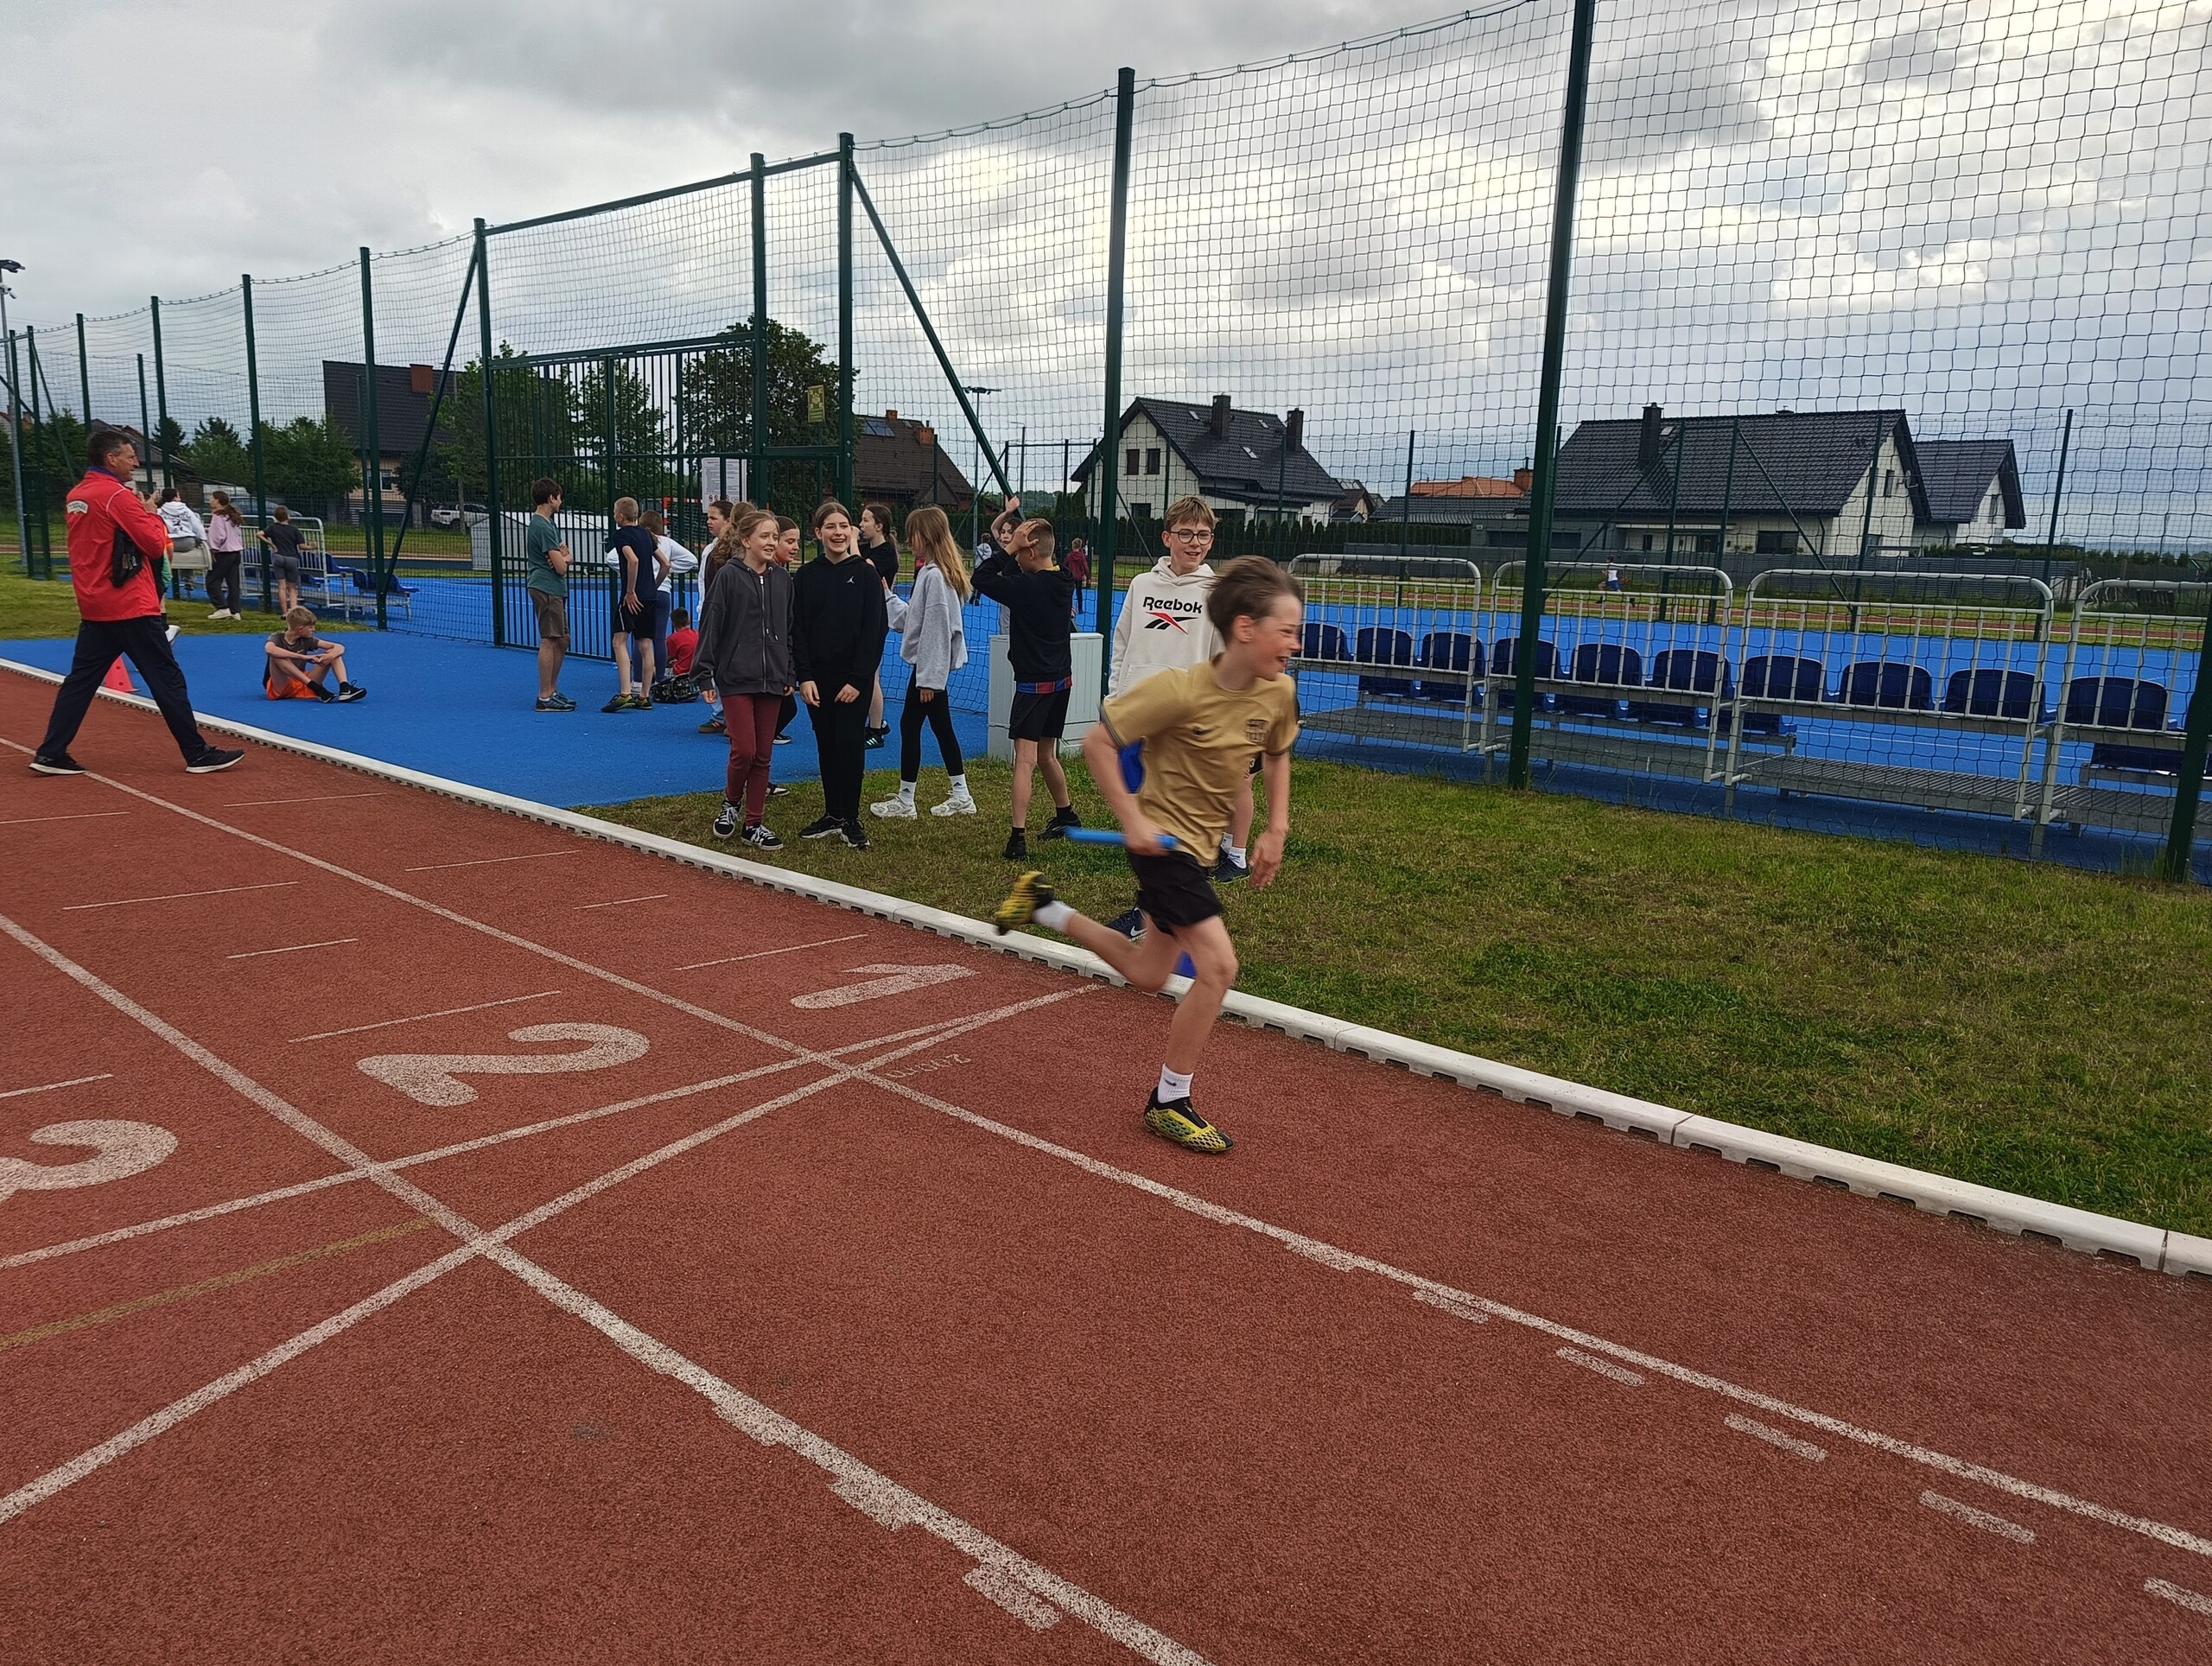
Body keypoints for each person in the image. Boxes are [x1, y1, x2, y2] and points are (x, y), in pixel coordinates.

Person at [994, 557, 1302, 1154]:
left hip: (1198, 851)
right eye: (1286, 630)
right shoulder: (1179, 691)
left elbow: (1277, 751)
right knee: (1219, 967)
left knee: (1148, 973)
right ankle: (1170, 1100)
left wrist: (1276, 828)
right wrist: (1132, 818)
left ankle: (1042, 907)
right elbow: (1099, 743)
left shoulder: (1278, 692)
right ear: (1245, 628)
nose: (1295, 643)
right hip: (1163, 847)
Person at [29, 426, 244, 777]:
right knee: (166, 678)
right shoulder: (117, 496)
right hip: (130, 603)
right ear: (110, 458)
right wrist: (149, 513)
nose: (136, 463)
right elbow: (154, 544)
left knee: (80, 681)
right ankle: (197, 753)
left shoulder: (77, 494)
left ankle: (51, 752)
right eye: (130, 456)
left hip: (95, 603)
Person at [1101, 497, 1256, 937]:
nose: (1195, 543)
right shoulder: (1141, 585)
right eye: (1185, 534)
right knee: (1142, 819)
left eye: (1203, 535)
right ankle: (1162, 910)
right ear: (1167, 537)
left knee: (1170, 822)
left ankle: (1154, 914)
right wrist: (1116, 699)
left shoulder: (1218, 595)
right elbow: (1122, 645)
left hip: (1185, 728)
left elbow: (1225, 663)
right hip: (1135, 719)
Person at [975, 497, 1079, 860]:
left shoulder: (1026, 588)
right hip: (1062, 681)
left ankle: (1017, 839)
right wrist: (1015, 542)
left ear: (1030, 552)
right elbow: (1012, 568)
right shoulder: (1064, 577)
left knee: (1026, 760)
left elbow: (981, 578)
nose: (1014, 556)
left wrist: (1009, 549)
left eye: (1019, 550)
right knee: (1047, 754)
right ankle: (1066, 816)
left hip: (1034, 685)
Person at [692, 507, 794, 850]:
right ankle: (731, 802)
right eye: (765, 536)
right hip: (736, 677)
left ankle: (754, 824)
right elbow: (712, 624)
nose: (772, 542)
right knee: (744, 750)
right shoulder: (729, 576)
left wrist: (789, 670)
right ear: (746, 540)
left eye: (775, 536)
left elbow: (789, 629)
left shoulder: (783, 580)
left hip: (772, 678)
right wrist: (704, 675)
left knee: (763, 754)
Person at [791, 499, 887, 849]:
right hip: (818, 680)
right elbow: (798, 631)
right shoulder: (806, 576)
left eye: (843, 526)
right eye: (830, 527)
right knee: (826, 744)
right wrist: (804, 676)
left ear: (852, 531)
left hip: (853, 682)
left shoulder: (865, 574)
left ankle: (851, 817)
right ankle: (833, 813)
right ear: (818, 532)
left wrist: (858, 680)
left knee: (849, 743)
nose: (838, 532)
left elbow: (875, 631)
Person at [870, 505, 975, 819]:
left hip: (928, 672)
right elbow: (914, 619)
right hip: (930, 670)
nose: (908, 540)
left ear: (926, 536)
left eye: (912, 533)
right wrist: (888, 596)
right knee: (939, 727)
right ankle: (960, 794)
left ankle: (907, 800)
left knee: (912, 726)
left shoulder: (935, 577)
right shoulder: (932, 573)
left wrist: (928, 680)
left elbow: (936, 632)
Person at [523, 478, 575, 711]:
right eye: (559, 497)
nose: (561, 502)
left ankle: (552, 690)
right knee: (550, 639)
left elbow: (565, 556)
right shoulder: (541, 527)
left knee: (563, 639)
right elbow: (561, 567)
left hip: (554, 587)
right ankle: (544, 696)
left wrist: (564, 558)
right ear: (551, 498)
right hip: (546, 587)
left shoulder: (549, 524)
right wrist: (564, 560)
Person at [603, 496, 659, 712]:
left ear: (620, 516)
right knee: (646, 644)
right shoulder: (647, 534)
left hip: (633, 597)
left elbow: (632, 560)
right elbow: (665, 563)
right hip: (650, 596)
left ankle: (625, 692)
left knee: (619, 641)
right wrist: (652, 586)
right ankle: (644, 696)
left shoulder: (621, 536)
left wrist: (630, 591)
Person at [860, 501, 900, 748]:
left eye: (865, 520)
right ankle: (877, 721)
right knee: (862, 674)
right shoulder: (865, 549)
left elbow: (859, 568)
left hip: (876, 619)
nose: (860, 525)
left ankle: (876, 731)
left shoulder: (886, 554)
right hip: (859, 617)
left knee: (871, 675)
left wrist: (850, 539)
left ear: (879, 526)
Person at [264, 606, 365, 702]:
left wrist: (330, 656)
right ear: (300, 629)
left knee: (333, 652)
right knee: (276, 656)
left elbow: (339, 647)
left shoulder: (307, 639)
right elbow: (269, 650)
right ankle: (316, 688)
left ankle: (345, 688)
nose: (314, 630)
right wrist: (304, 657)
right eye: (311, 627)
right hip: (281, 684)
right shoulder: (277, 637)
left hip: (302, 682)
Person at [643, 508, 696, 685]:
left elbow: (611, 558)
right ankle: (660, 678)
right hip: (663, 590)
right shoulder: (667, 543)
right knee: (659, 637)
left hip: (643, 590)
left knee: (641, 637)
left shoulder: (637, 540)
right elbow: (691, 560)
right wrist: (668, 568)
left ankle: (638, 679)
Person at [772, 516, 803, 745]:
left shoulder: (782, 576)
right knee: (787, 706)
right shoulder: (770, 576)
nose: (796, 547)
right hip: (767, 660)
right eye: (790, 541)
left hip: (779, 656)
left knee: (787, 706)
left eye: (797, 542)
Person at [157, 489, 208, 600]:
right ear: (175, 497)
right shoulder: (186, 510)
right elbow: (197, 525)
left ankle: (164, 579)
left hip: (169, 543)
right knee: (191, 548)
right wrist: (203, 539)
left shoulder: (160, 511)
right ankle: (188, 579)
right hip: (187, 543)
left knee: (166, 556)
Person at [205, 490, 246, 620]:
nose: (210, 501)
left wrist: (213, 549)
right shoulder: (232, 515)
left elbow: (218, 535)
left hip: (223, 552)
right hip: (236, 552)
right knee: (233, 582)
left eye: (212, 498)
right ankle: (235, 610)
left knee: (212, 581)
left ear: (217, 500)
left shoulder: (218, 516)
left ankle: (222, 607)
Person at [257, 506, 306, 616]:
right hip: (291, 558)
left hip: (278, 557)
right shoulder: (294, 529)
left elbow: (259, 534)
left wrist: (271, 544)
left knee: (281, 587)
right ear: (288, 516)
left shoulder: (272, 528)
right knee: (292, 587)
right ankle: (293, 612)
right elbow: (302, 546)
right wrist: (312, 546)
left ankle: (284, 612)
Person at [665, 607, 698, 678]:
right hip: (696, 670)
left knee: (655, 670)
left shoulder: (673, 638)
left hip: (680, 672)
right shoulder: (696, 634)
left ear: (674, 623)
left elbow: (667, 658)